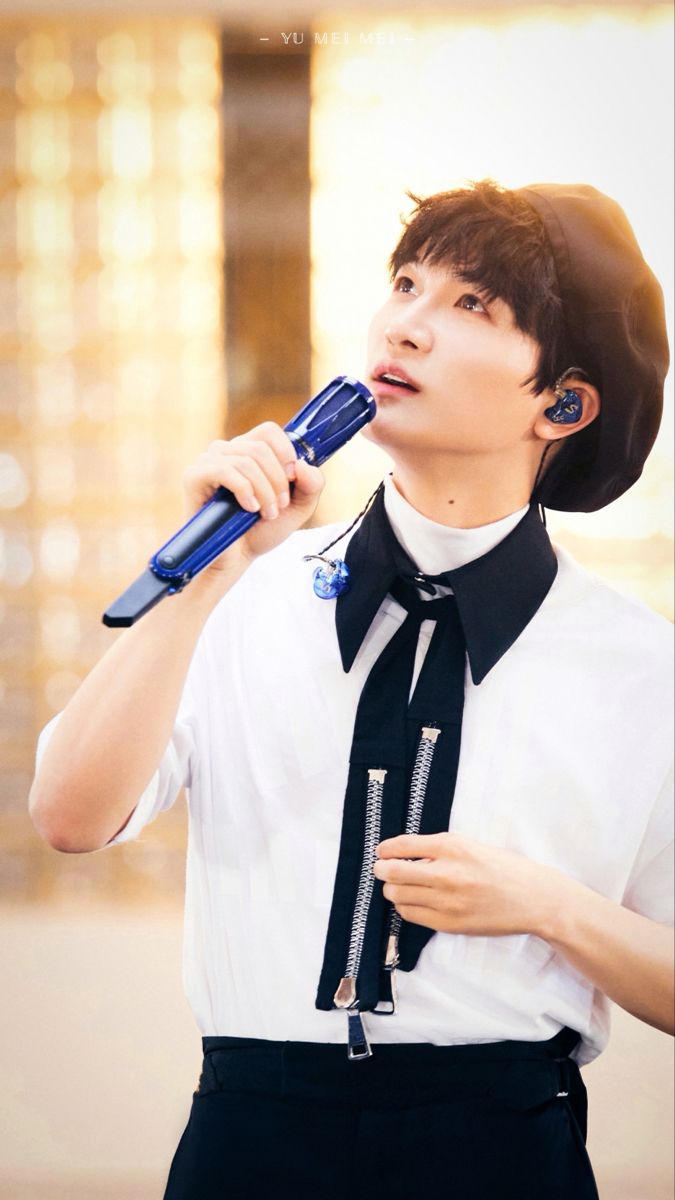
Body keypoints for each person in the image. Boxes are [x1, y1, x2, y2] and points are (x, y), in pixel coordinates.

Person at [29, 180, 673, 1200]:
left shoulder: (638, 667)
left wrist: (547, 905)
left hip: (503, 1143)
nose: (406, 324)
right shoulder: (249, 588)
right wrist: (203, 581)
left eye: (471, 305)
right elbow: (67, 815)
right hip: (251, 1133)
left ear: (564, 402)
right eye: (407, 283)